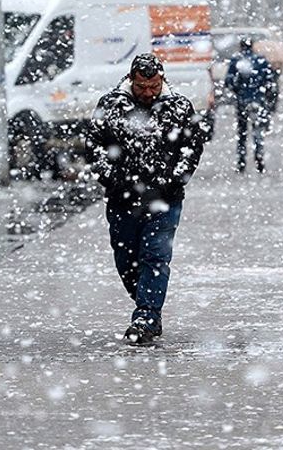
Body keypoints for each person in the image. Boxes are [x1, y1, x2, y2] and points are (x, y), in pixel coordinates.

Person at [86, 53, 208, 345]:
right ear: (131, 80)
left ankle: (146, 316)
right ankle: (145, 301)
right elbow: (94, 146)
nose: (148, 93)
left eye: (153, 86)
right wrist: (111, 179)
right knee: (126, 258)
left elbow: (191, 149)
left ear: (162, 80)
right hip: (123, 199)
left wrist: (172, 181)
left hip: (164, 200)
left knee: (155, 256)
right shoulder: (111, 105)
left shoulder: (179, 107)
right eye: (142, 87)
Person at [224, 37, 278, 173]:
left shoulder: (236, 61)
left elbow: (229, 81)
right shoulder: (261, 61)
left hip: (242, 101)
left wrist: (238, 91)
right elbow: (270, 81)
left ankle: (241, 161)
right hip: (258, 100)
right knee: (257, 131)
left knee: (242, 132)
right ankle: (259, 159)